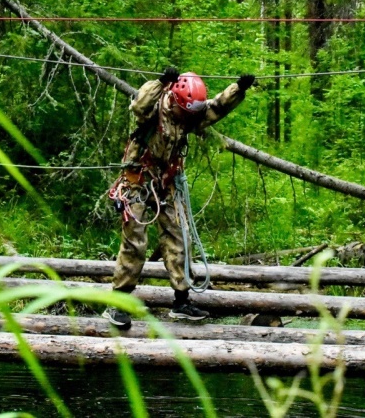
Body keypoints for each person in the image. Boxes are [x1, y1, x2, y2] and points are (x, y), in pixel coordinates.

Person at [104, 68, 255, 328]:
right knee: (135, 242)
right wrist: (161, 82)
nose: (189, 118)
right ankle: (117, 304)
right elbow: (139, 105)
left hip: (166, 183)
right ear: (174, 100)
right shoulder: (154, 109)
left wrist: (238, 89)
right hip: (137, 182)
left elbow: (216, 108)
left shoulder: (189, 114)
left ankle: (181, 300)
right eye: (185, 112)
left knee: (179, 235)